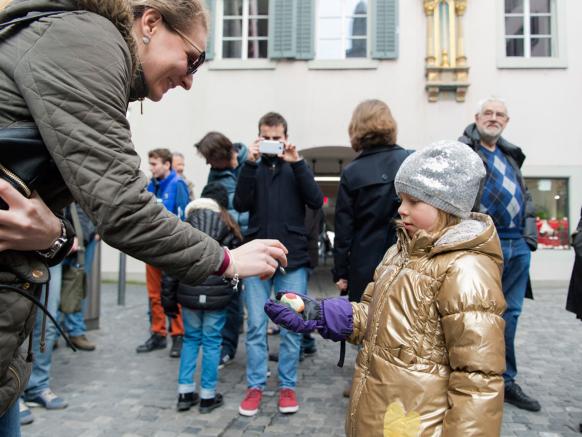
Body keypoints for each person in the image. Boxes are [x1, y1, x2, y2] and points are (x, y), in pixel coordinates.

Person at [0, 2, 287, 435]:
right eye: (194, 59)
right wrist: (227, 261)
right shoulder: (88, 41)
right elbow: (124, 209)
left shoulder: (74, 40)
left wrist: (56, 237)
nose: (190, 80)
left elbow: (50, 214)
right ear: (150, 22)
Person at [266, 141, 507, 436]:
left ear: (447, 204)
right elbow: (376, 318)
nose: (401, 209)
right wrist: (321, 313)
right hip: (380, 414)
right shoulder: (399, 252)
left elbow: (477, 378)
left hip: (420, 422)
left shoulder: (466, 268)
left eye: (414, 201)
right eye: (401, 199)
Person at [234, 112, 323, 416]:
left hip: (292, 257)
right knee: (257, 326)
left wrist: (297, 163)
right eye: (266, 138)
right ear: (259, 137)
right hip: (257, 256)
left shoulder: (296, 167)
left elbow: (314, 200)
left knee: (291, 326)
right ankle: (256, 385)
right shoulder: (252, 167)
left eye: (277, 138)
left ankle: (287, 386)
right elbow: (240, 203)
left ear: (285, 137)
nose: (272, 143)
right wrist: (249, 161)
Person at [458, 96, 540, 412]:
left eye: (500, 114)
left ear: (506, 121)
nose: (494, 118)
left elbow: (526, 196)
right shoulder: (466, 151)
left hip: (517, 245)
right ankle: (475, 378)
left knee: (511, 315)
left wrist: (528, 241)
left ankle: (505, 379)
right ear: (476, 118)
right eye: (488, 113)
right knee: (478, 312)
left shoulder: (510, 155)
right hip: (484, 244)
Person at [163, 186, 241, 414]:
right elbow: (236, 267)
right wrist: (232, 295)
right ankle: (207, 396)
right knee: (212, 342)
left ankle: (184, 394)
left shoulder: (183, 227)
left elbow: (170, 268)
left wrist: (168, 302)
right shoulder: (228, 226)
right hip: (217, 298)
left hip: (189, 295)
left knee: (190, 340)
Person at [333, 99, 409, 303]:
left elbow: (343, 231)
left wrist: (340, 271)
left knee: (364, 326)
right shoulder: (409, 161)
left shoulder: (352, 172)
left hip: (364, 266)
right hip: (406, 261)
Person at [195, 132, 249, 367]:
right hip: (230, 240)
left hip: (252, 239)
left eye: (210, 158)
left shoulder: (250, 162)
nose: (207, 163)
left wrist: (232, 218)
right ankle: (227, 347)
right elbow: (213, 205)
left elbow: (255, 204)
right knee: (231, 294)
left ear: (222, 154)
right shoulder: (214, 173)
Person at [137, 148, 189, 357]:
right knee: (154, 295)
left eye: (155, 164)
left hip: (171, 250)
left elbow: (184, 217)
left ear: (167, 165)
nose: (151, 168)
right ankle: (158, 334)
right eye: (150, 164)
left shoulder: (178, 185)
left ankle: (178, 335)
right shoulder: (150, 185)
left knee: (172, 293)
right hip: (151, 249)